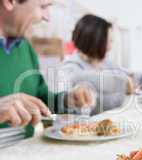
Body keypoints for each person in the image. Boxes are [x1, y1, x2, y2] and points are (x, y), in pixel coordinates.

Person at [0, 0, 96, 138]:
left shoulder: (24, 46)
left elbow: (40, 99)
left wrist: (67, 99)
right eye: (43, 6)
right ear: (10, 2)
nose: (47, 17)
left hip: (25, 153)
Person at [59, 14, 141, 113]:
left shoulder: (105, 63)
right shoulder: (71, 66)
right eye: (109, 41)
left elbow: (128, 74)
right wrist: (122, 82)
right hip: (89, 126)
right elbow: (76, 77)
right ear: (96, 42)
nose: (111, 46)